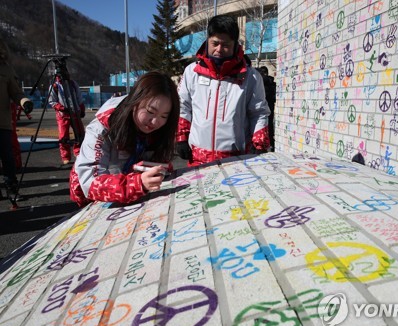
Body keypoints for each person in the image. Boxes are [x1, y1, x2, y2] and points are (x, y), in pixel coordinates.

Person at [69, 71, 180, 207]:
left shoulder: (159, 129)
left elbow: (153, 160)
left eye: (164, 116)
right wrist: (137, 184)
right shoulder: (101, 128)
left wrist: (157, 169)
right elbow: (91, 182)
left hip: (131, 196)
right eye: (150, 112)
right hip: (94, 201)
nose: (155, 121)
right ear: (135, 101)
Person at [176, 15, 271, 166]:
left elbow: (258, 112)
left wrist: (259, 144)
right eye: (215, 43)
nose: (219, 49)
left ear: (235, 44)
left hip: (236, 160)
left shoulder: (251, 77)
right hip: (198, 158)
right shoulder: (192, 72)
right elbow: (183, 106)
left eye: (225, 44)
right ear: (207, 41)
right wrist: (181, 137)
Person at [0, 39, 33, 199]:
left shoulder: (5, 70)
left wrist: (25, 102)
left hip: (3, 122)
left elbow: (16, 92)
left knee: (7, 157)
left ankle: (11, 188)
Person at [48, 68, 86, 165]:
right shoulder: (55, 86)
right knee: (63, 136)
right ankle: (65, 156)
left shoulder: (73, 84)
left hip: (75, 113)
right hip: (63, 115)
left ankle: (78, 153)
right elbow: (52, 101)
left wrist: (82, 109)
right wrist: (62, 108)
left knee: (80, 134)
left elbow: (79, 98)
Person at [258, 66, 276, 151]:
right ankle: (270, 144)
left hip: (261, 108)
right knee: (270, 127)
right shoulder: (272, 82)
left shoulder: (260, 81)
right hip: (270, 107)